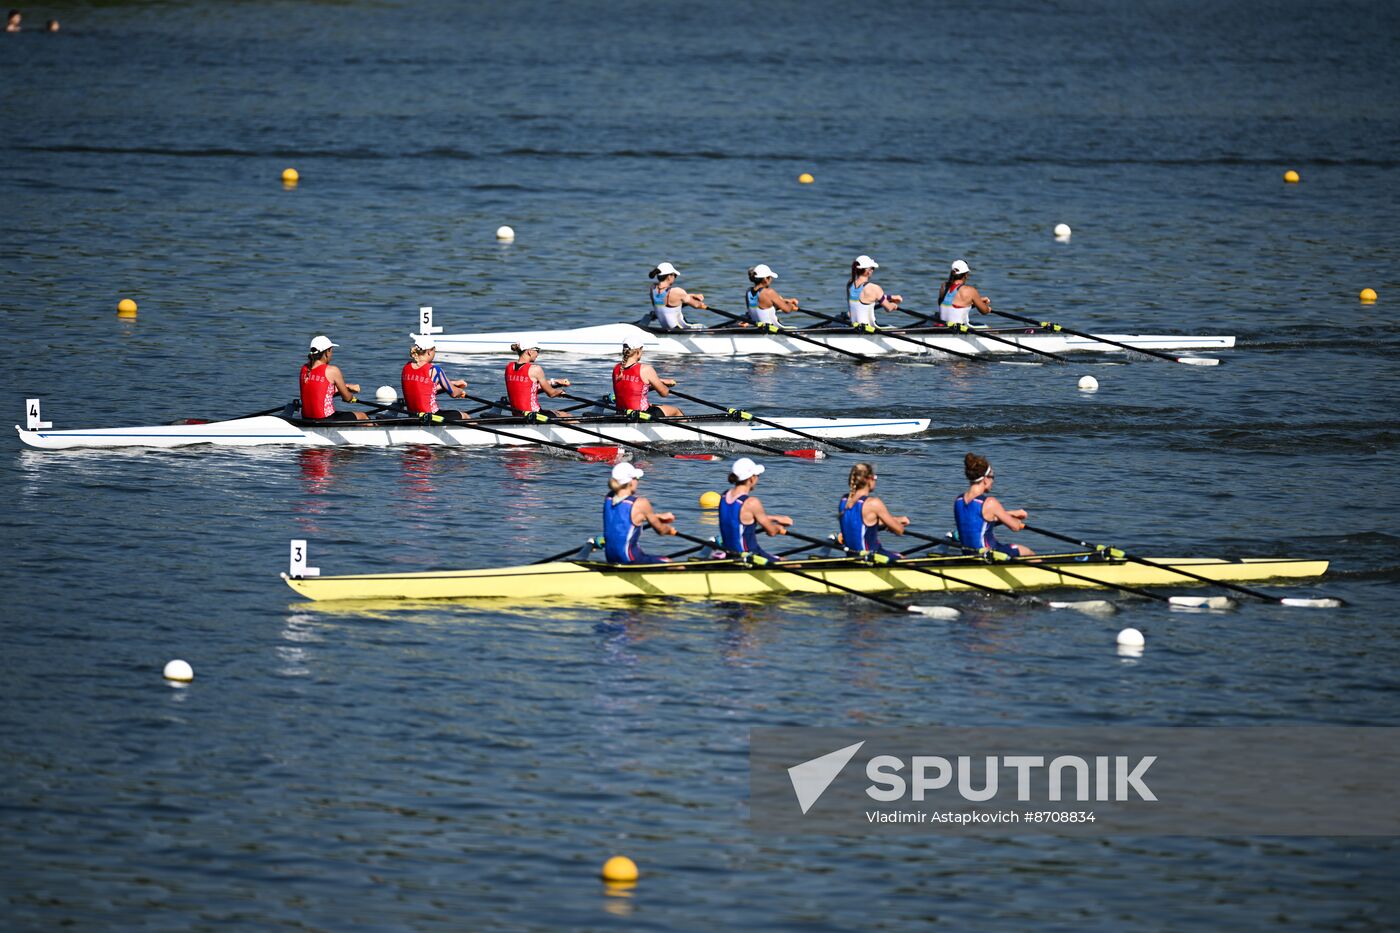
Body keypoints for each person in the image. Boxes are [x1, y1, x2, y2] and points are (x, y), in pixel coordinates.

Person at [953, 453, 1035, 557]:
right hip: (990, 553)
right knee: (1028, 552)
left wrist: (1012, 513)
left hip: (968, 553)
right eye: (992, 477)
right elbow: (1015, 527)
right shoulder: (990, 503)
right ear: (985, 479)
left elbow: (977, 521)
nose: (992, 481)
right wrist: (1017, 522)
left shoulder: (958, 501)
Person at [717, 458, 792, 561]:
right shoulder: (752, 502)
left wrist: (775, 518)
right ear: (751, 478)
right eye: (758, 476)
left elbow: (737, 517)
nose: (758, 479)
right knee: (792, 564)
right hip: (749, 556)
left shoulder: (724, 496)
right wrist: (778, 528)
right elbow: (772, 532)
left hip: (729, 554)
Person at [602, 462, 677, 564]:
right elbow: (661, 531)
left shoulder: (608, 498)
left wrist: (656, 516)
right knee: (669, 562)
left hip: (610, 557)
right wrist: (670, 530)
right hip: (630, 558)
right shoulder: (641, 503)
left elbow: (623, 517)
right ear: (631, 481)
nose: (638, 481)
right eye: (637, 478)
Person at [836, 461, 910, 559]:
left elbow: (860, 523)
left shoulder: (844, 500)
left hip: (852, 556)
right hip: (870, 558)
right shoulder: (873, 503)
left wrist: (895, 520)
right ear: (869, 480)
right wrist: (895, 524)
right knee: (904, 559)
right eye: (875, 478)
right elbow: (899, 530)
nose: (875, 480)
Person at [300, 335, 368, 422]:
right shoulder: (332, 370)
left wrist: (347, 387)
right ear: (326, 352)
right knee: (363, 416)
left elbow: (319, 389)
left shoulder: (304, 369)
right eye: (331, 350)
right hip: (325, 419)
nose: (332, 354)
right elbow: (347, 398)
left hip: (306, 418)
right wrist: (349, 394)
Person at [402, 334, 470, 421]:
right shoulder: (434, 370)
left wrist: (453, 383)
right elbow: (454, 393)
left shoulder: (406, 367)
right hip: (432, 417)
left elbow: (424, 390)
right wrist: (461, 391)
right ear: (429, 352)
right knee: (465, 416)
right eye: (435, 350)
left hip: (413, 416)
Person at [612, 341, 683, 417]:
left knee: (654, 405)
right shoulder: (645, 369)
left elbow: (633, 389)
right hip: (641, 415)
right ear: (638, 351)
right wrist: (663, 384)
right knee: (676, 411)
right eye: (642, 350)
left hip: (621, 413)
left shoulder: (616, 368)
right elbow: (664, 393)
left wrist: (660, 381)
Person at [504, 340, 571, 419]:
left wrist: (555, 381)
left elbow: (526, 387)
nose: (538, 354)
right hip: (533, 415)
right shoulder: (535, 369)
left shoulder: (508, 367)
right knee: (567, 416)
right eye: (537, 350)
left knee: (556, 413)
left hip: (517, 414)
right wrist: (560, 392)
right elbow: (551, 393)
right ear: (529, 351)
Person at [846, 254, 903, 327]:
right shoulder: (874, 288)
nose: (873, 270)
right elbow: (888, 308)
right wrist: (894, 305)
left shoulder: (850, 284)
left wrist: (891, 297)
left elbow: (867, 297)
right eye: (872, 268)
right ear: (868, 271)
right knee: (902, 332)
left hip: (855, 327)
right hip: (870, 329)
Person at [648, 261, 707, 331]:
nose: (675, 278)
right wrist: (701, 303)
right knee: (703, 327)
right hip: (680, 329)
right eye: (675, 275)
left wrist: (692, 295)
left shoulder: (653, 289)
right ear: (669, 276)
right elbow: (696, 305)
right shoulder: (677, 291)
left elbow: (667, 301)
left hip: (666, 328)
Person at [937, 259, 995, 325]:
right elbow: (984, 311)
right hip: (958, 329)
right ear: (966, 275)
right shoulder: (970, 291)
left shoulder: (944, 286)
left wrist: (979, 301)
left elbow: (954, 306)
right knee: (986, 327)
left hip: (944, 326)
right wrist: (988, 309)